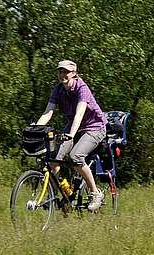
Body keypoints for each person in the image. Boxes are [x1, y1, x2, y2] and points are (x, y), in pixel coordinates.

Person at [32, 60, 109, 210]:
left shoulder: (82, 88)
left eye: (66, 72)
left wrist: (71, 134)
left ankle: (95, 193)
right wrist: (35, 128)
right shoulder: (58, 90)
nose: (62, 75)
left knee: (76, 157)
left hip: (94, 127)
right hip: (73, 127)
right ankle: (60, 194)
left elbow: (79, 114)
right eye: (60, 72)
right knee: (52, 159)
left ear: (74, 74)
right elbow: (48, 112)